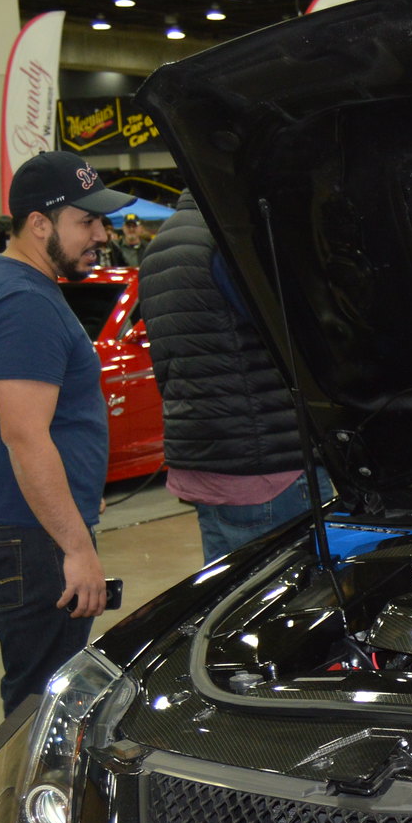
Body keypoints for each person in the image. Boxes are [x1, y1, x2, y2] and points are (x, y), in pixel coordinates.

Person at [0, 151, 132, 713]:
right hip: (25, 534)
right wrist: (76, 548)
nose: (101, 235)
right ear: (39, 224)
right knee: (45, 705)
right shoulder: (25, 301)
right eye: (86, 222)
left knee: (38, 685)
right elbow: (25, 436)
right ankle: (30, 799)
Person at [140, 191, 318, 562]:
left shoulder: (159, 249)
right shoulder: (229, 240)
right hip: (266, 467)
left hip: (203, 461)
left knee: (226, 601)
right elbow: (295, 339)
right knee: (281, 602)